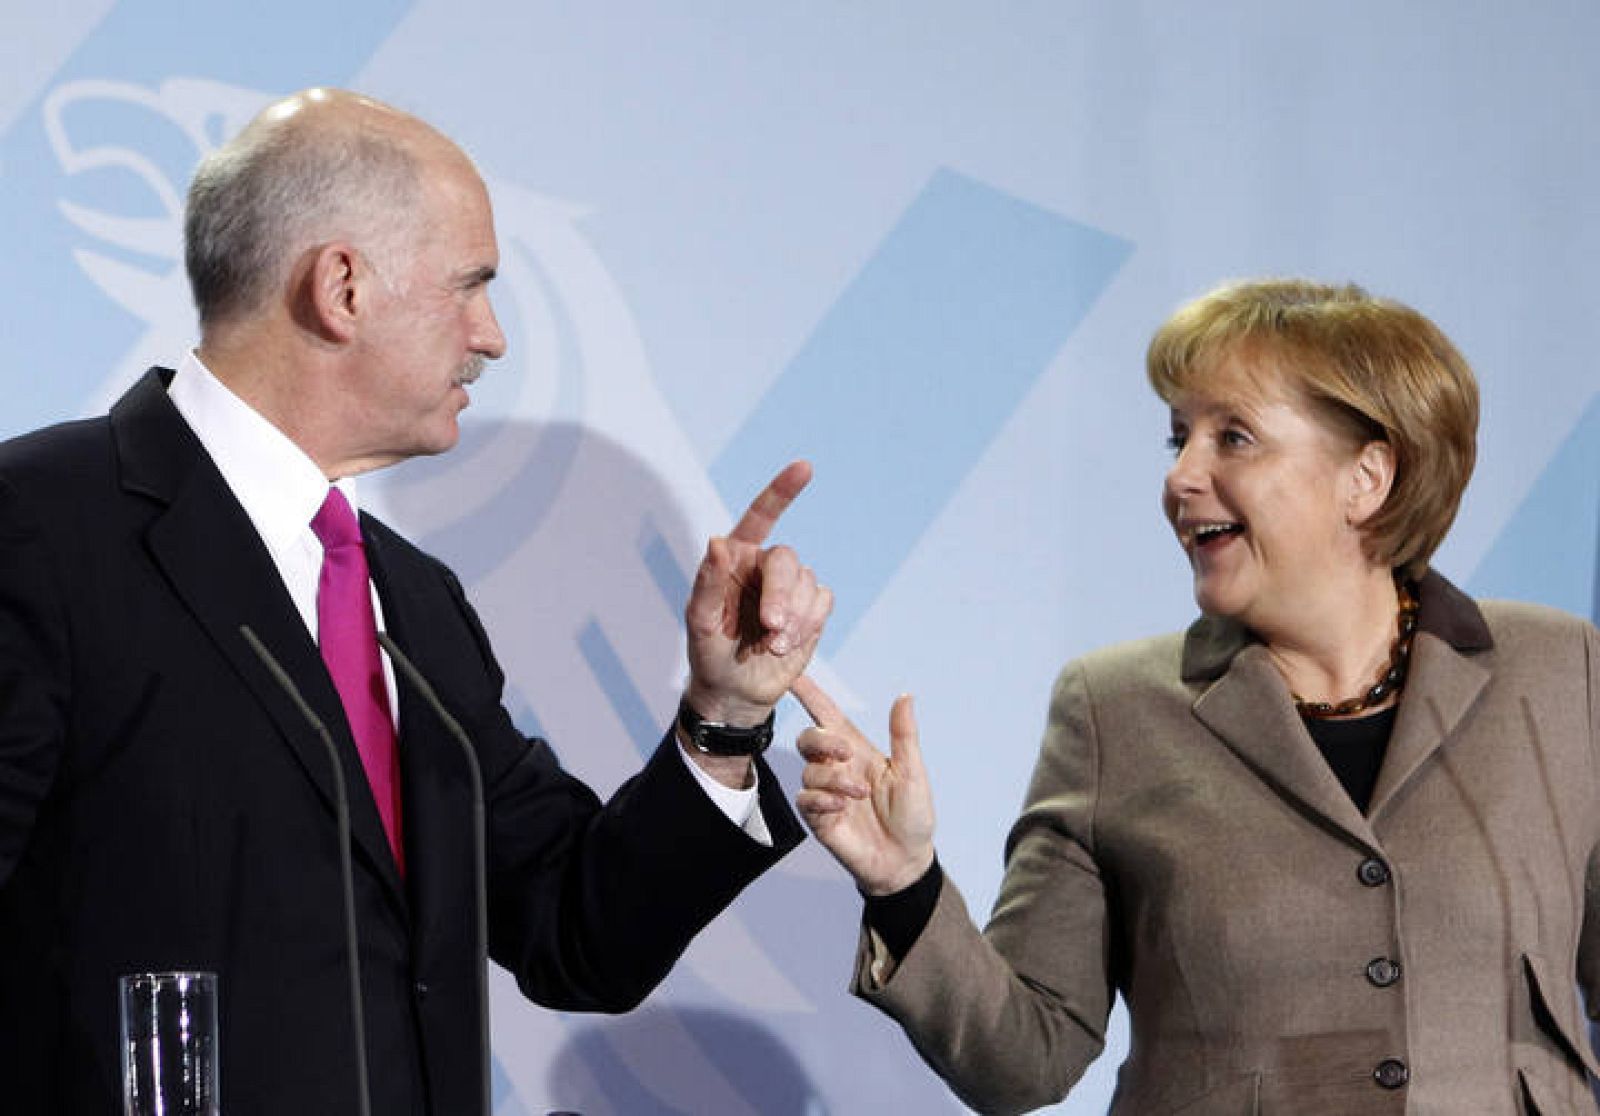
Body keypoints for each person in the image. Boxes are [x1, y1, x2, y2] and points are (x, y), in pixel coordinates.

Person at [0, 88, 831, 1115]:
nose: (491, 337)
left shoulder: (413, 599)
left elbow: (578, 934)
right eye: (469, 286)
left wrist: (727, 715)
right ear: (341, 287)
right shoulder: (38, 527)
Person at [795, 278, 1600, 1114]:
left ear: (1368, 476)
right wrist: (904, 882)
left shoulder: (1558, 671)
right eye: (1180, 438)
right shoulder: (1115, 711)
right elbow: (1023, 1058)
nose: (1183, 477)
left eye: (1234, 438)